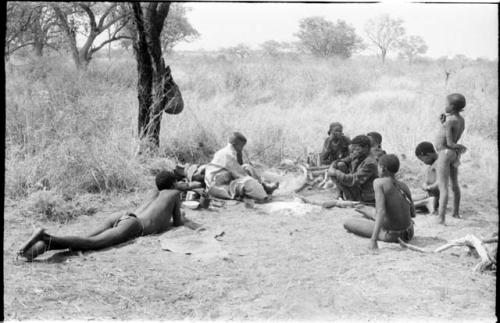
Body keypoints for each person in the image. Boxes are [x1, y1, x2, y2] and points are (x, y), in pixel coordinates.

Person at [17, 171, 200, 261]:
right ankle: (46, 237)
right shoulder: (175, 195)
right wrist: (181, 214)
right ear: (174, 183)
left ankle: (37, 249)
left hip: (123, 215)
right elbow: (177, 222)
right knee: (93, 244)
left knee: (84, 240)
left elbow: (164, 194)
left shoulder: (156, 191)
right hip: (135, 225)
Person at [344, 154, 415, 250]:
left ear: (382, 169)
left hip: (391, 235)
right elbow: (413, 213)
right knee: (369, 210)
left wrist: (373, 240)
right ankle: (366, 210)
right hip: (409, 232)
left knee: (348, 223)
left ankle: (367, 212)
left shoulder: (378, 182)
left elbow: (381, 212)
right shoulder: (403, 185)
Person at [204, 132, 278, 202]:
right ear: (235, 144)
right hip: (217, 186)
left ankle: (264, 185)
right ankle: (263, 194)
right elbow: (241, 174)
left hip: (224, 178)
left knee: (247, 167)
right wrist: (253, 180)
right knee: (249, 182)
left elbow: (240, 166)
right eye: (241, 146)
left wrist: (239, 154)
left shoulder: (228, 151)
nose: (242, 148)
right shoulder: (228, 154)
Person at [434, 93, 467, 224]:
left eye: (446, 104)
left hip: (445, 152)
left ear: (452, 107)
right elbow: (454, 136)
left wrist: (458, 145)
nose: (445, 106)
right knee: (454, 184)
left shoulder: (450, 121)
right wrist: (443, 123)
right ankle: (456, 212)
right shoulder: (460, 119)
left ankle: (441, 218)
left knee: (443, 187)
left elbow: (450, 143)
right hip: (453, 154)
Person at [328, 135, 378, 204]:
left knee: (335, 174)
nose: (354, 151)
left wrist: (335, 172)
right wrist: (335, 165)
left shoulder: (370, 163)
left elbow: (353, 179)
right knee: (340, 165)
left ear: (366, 147)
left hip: (365, 195)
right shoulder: (360, 155)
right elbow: (344, 160)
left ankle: (352, 199)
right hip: (358, 189)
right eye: (353, 149)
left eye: (357, 149)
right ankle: (343, 195)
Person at [413, 141, 440, 214]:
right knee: (407, 199)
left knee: (405, 205)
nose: (424, 162)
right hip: (430, 195)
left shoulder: (440, 162)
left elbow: (441, 181)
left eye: (423, 159)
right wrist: (425, 184)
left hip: (436, 197)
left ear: (428, 155)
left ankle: (428, 202)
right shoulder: (434, 163)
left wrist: (429, 187)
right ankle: (428, 201)